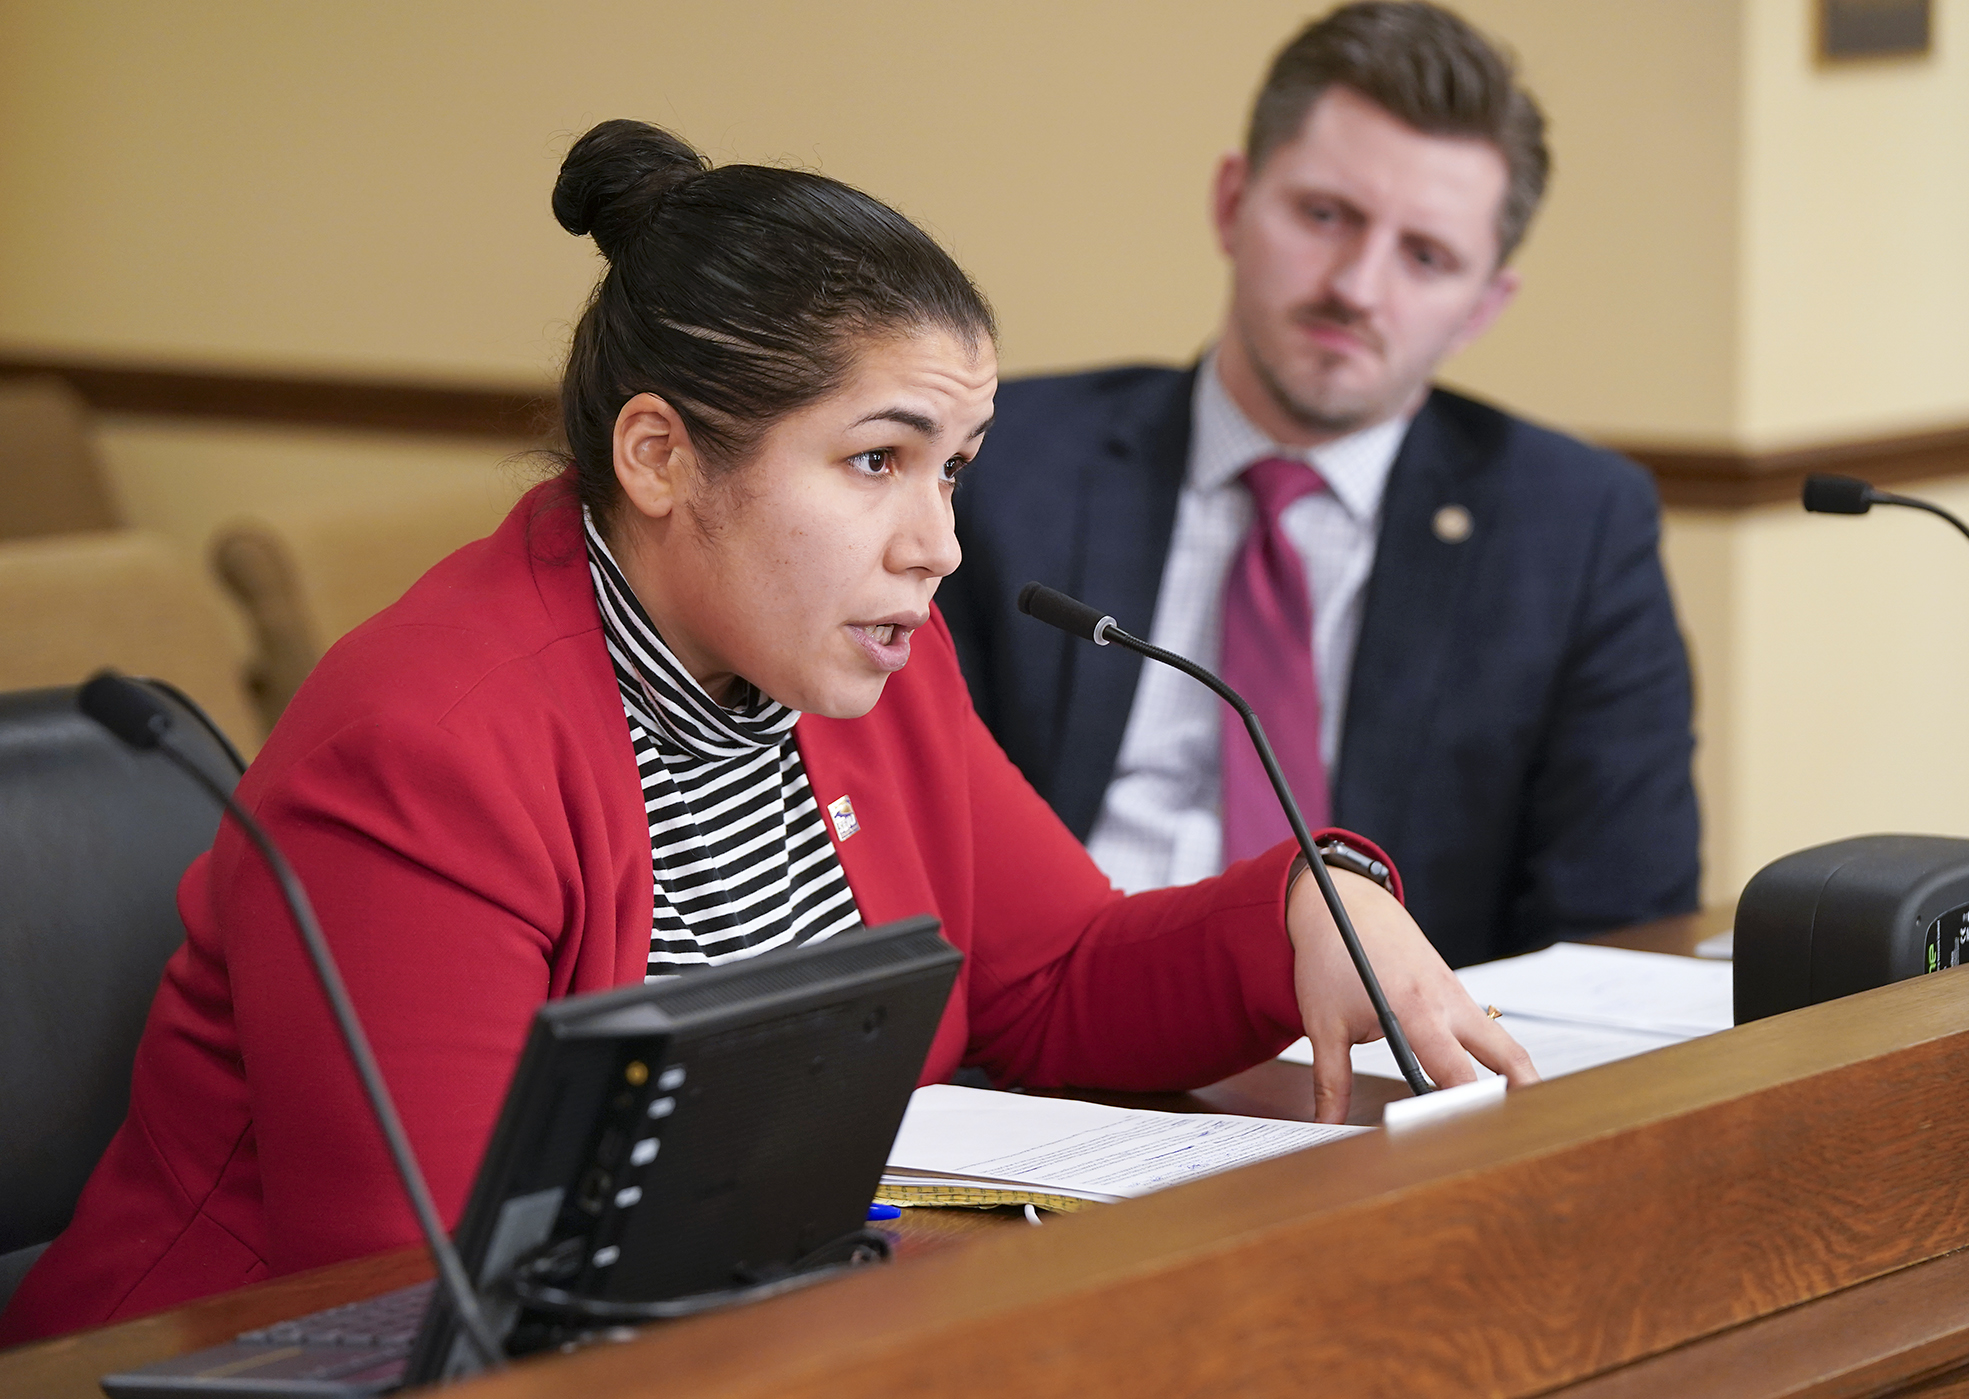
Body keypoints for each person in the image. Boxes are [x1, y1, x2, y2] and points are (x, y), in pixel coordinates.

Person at [0, 119, 1533, 1343]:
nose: (937, 540)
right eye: (876, 460)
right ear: (662, 456)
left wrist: (1301, 915)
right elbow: (427, 1291)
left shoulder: (856, 665)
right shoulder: (427, 747)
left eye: (955, 468)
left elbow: (1054, 976)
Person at [940, 2, 1700, 969]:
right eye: (1325, 216)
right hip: (1041, 1051)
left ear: (1483, 304)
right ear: (1231, 201)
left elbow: (1620, 924)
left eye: (1426, 257)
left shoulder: (1576, 526)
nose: (1357, 285)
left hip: (1398, 1077)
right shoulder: (1002, 462)